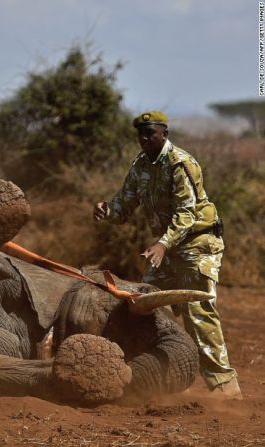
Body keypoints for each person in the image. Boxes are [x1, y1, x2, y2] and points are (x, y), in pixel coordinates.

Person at [93, 111, 241, 399]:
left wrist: (162, 244)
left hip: (197, 244)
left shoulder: (181, 164)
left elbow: (187, 214)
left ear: (164, 134)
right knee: (143, 302)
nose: (144, 139)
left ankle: (225, 387)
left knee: (197, 310)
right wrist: (107, 211)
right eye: (141, 134)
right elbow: (125, 202)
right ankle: (140, 378)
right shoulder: (140, 165)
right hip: (168, 247)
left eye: (150, 133)